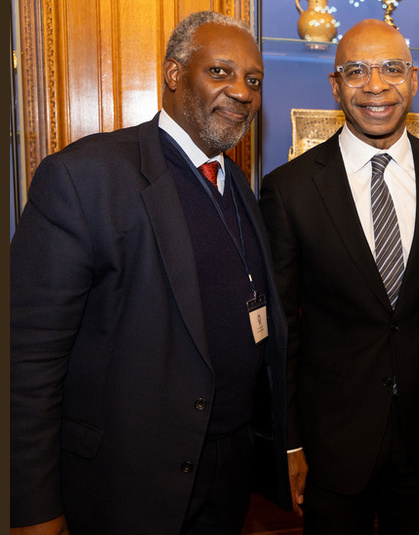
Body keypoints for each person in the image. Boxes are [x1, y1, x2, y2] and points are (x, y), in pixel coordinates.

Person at [10, 11, 290, 534]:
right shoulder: (83, 177)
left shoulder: (240, 189)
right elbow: (27, 363)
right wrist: (33, 510)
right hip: (125, 484)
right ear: (174, 74)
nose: (242, 92)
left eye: (253, 80)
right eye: (220, 72)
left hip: (227, 478)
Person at [258, 18, 419, 535]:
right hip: (331, 445)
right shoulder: (291, 189)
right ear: (335, 85)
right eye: (356, 71)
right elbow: (283, 327)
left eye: (392, 68)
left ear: (413, 79)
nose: (375, 85)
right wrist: (289, 439)